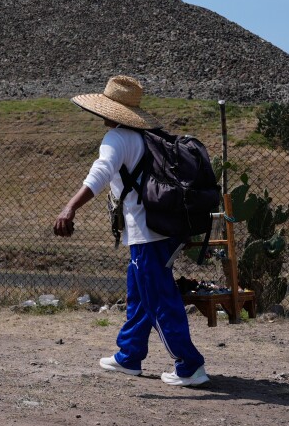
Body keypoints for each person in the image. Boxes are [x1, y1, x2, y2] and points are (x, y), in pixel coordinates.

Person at [53, 75, 209, 387]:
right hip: (162, 227)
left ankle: (190, 365)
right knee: (138, 294)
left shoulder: (117, 138)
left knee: (158, 298)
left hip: (148, 233)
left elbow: (100, 173)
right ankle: (129, 355)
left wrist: (70, 207)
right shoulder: (146, 137)